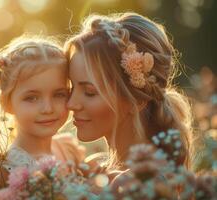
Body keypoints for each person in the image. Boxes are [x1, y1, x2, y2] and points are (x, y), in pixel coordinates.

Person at [64, 12, 194, 171]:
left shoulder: (143, 184)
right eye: (71, 87)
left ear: (137, 100)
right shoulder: (94, 169)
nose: (71, 104)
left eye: (90, 92)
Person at [0, 35, 85, 173]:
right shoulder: (7, 169)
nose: (48, 109)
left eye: (59, 95)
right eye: (31, 98)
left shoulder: (66, 149)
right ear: (7, 103)